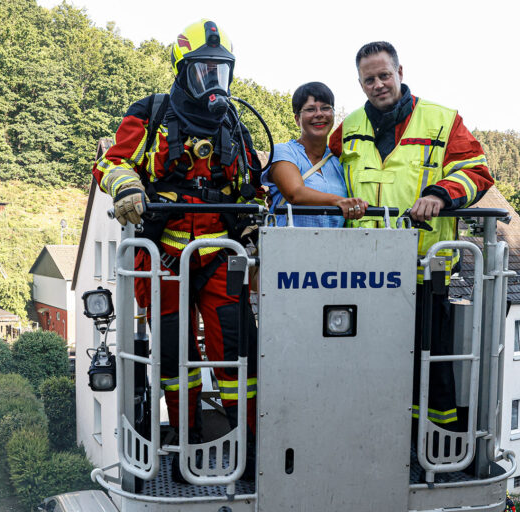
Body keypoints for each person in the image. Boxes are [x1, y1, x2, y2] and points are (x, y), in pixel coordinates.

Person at [93, 19, 260, 483]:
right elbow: (111, 162)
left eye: (220, 71)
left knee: (237, 356)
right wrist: (127, 186)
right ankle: (187, 446)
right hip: (162, 257)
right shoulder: (151, 114)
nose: (213, 81)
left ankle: (247, 448)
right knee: (173, 358)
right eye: (204, 70)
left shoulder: (234, 124)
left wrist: (251, 227)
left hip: (219, 255)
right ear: (183, 70)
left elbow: (252, 186)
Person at [329, 42, 494, 429]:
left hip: (424, 267)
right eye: (369, 79)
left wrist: (440, 194)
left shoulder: (442, 119)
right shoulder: (349, 127)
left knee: (429, 362)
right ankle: (374, 431)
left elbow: (477, 172)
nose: (378, 85)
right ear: (360, 83)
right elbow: (320, 170)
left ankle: (433, 439)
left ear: (400, 73)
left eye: (384, 75)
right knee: (368, 360)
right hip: (363, 270)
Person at [262, 82, 367, 226]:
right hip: (288, 240)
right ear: (297, 119)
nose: (319, 114)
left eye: (325, 108)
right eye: (310, 109)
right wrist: (339, 201)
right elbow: (295, 193)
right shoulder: (284, 152)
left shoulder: (339, 160)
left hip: (335, 240)